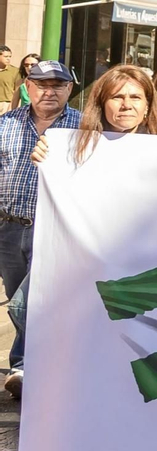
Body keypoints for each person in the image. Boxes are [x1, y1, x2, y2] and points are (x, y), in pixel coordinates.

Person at [34, 65, 157, 451]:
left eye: (135, 98)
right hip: (86, 284)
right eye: (116, 98)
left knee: (140, 374)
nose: (125, 106)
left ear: (148, 105)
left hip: (146, 286)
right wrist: (49, 156)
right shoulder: (73, 148)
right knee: (90, 376)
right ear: (100, 103)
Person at [0, 60, 79, 402]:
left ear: (69, 89)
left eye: (57, 85)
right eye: (41, 84)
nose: (49, 91)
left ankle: (24, 366)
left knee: (24, 304)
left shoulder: (84, 126)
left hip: (55, 228)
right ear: (27, 88)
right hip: (9, 227)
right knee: (19, 294)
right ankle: (31, 364)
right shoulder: (5, 124)